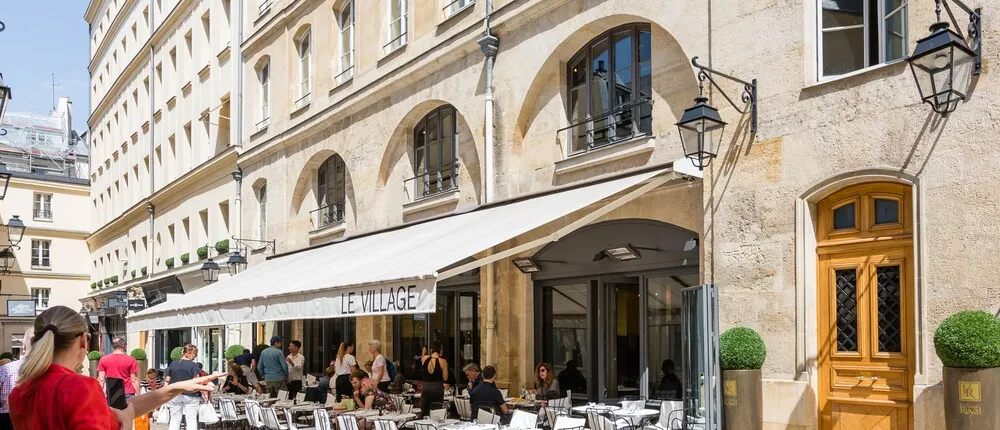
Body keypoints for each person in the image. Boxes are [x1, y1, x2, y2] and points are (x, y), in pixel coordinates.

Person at [8, 306, 223, 430]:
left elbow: (122, 409)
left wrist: (177, 387)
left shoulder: (21, 391)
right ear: (83, 342)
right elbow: (123, 415)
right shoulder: (79, 387)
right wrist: (128, 423)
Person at [164, 344, 208, 430]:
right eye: (194, 353)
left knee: (174, 419)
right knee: (191, 419)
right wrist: (204, 392)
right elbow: (197, 381)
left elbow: (167, 380)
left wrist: (165, 394)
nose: (195, 356)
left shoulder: (173, 364)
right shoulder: (193, 365)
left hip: (174, 394)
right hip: (191, 395)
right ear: (188, 353)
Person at [0, 332, 31, 429]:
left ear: (24, 346)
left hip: (6, 419)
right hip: (33, 418)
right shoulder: (49, 371)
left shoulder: (5, 370)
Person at [420, 340, 449, 418]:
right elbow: (445, 378)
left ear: (431, 350)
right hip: (437, 388)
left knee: (424, 411)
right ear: (440, 350)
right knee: (436, 412)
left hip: (425, 387)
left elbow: (423, 352)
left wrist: (426, 348)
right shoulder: (443, 361)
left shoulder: (424, 358)